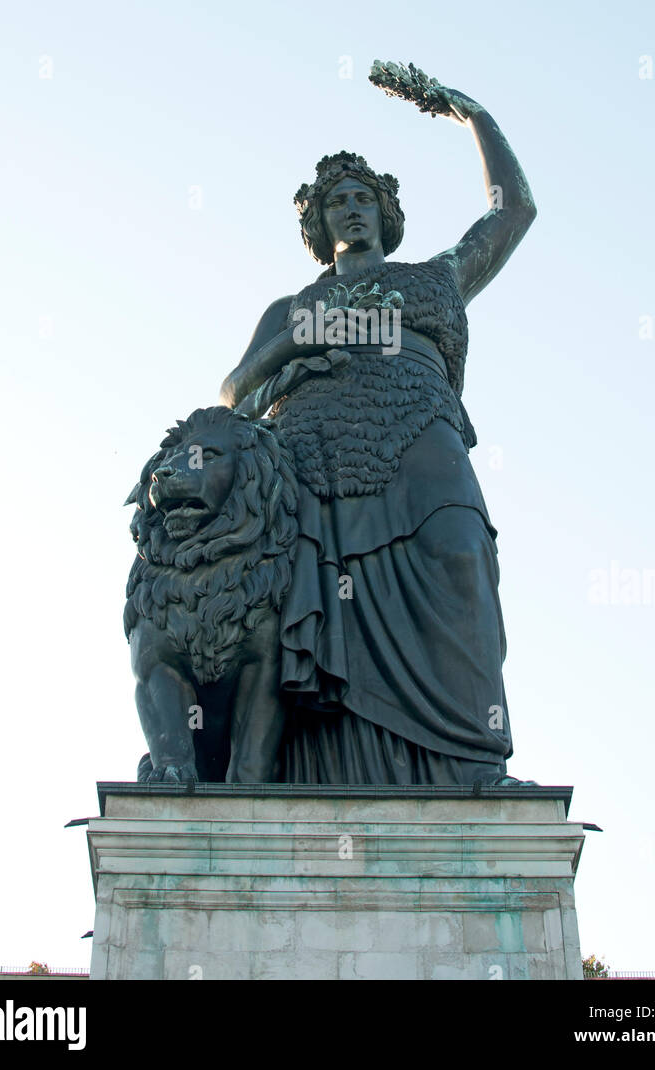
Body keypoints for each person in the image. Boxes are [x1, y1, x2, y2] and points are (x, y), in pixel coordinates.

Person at [219, 77, 536, 783]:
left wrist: (470, 114)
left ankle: (473, 760)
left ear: (387, 213)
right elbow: (233, 396)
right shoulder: (292, 305)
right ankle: (327, 769)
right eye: (339, 201)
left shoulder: (437, 278)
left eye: (365, 199)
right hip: (318, 452)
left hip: (421, 428)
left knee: (460, 552)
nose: (353, 210)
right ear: (318, 224)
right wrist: (301, 339)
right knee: (327, 602)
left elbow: (514, 209)